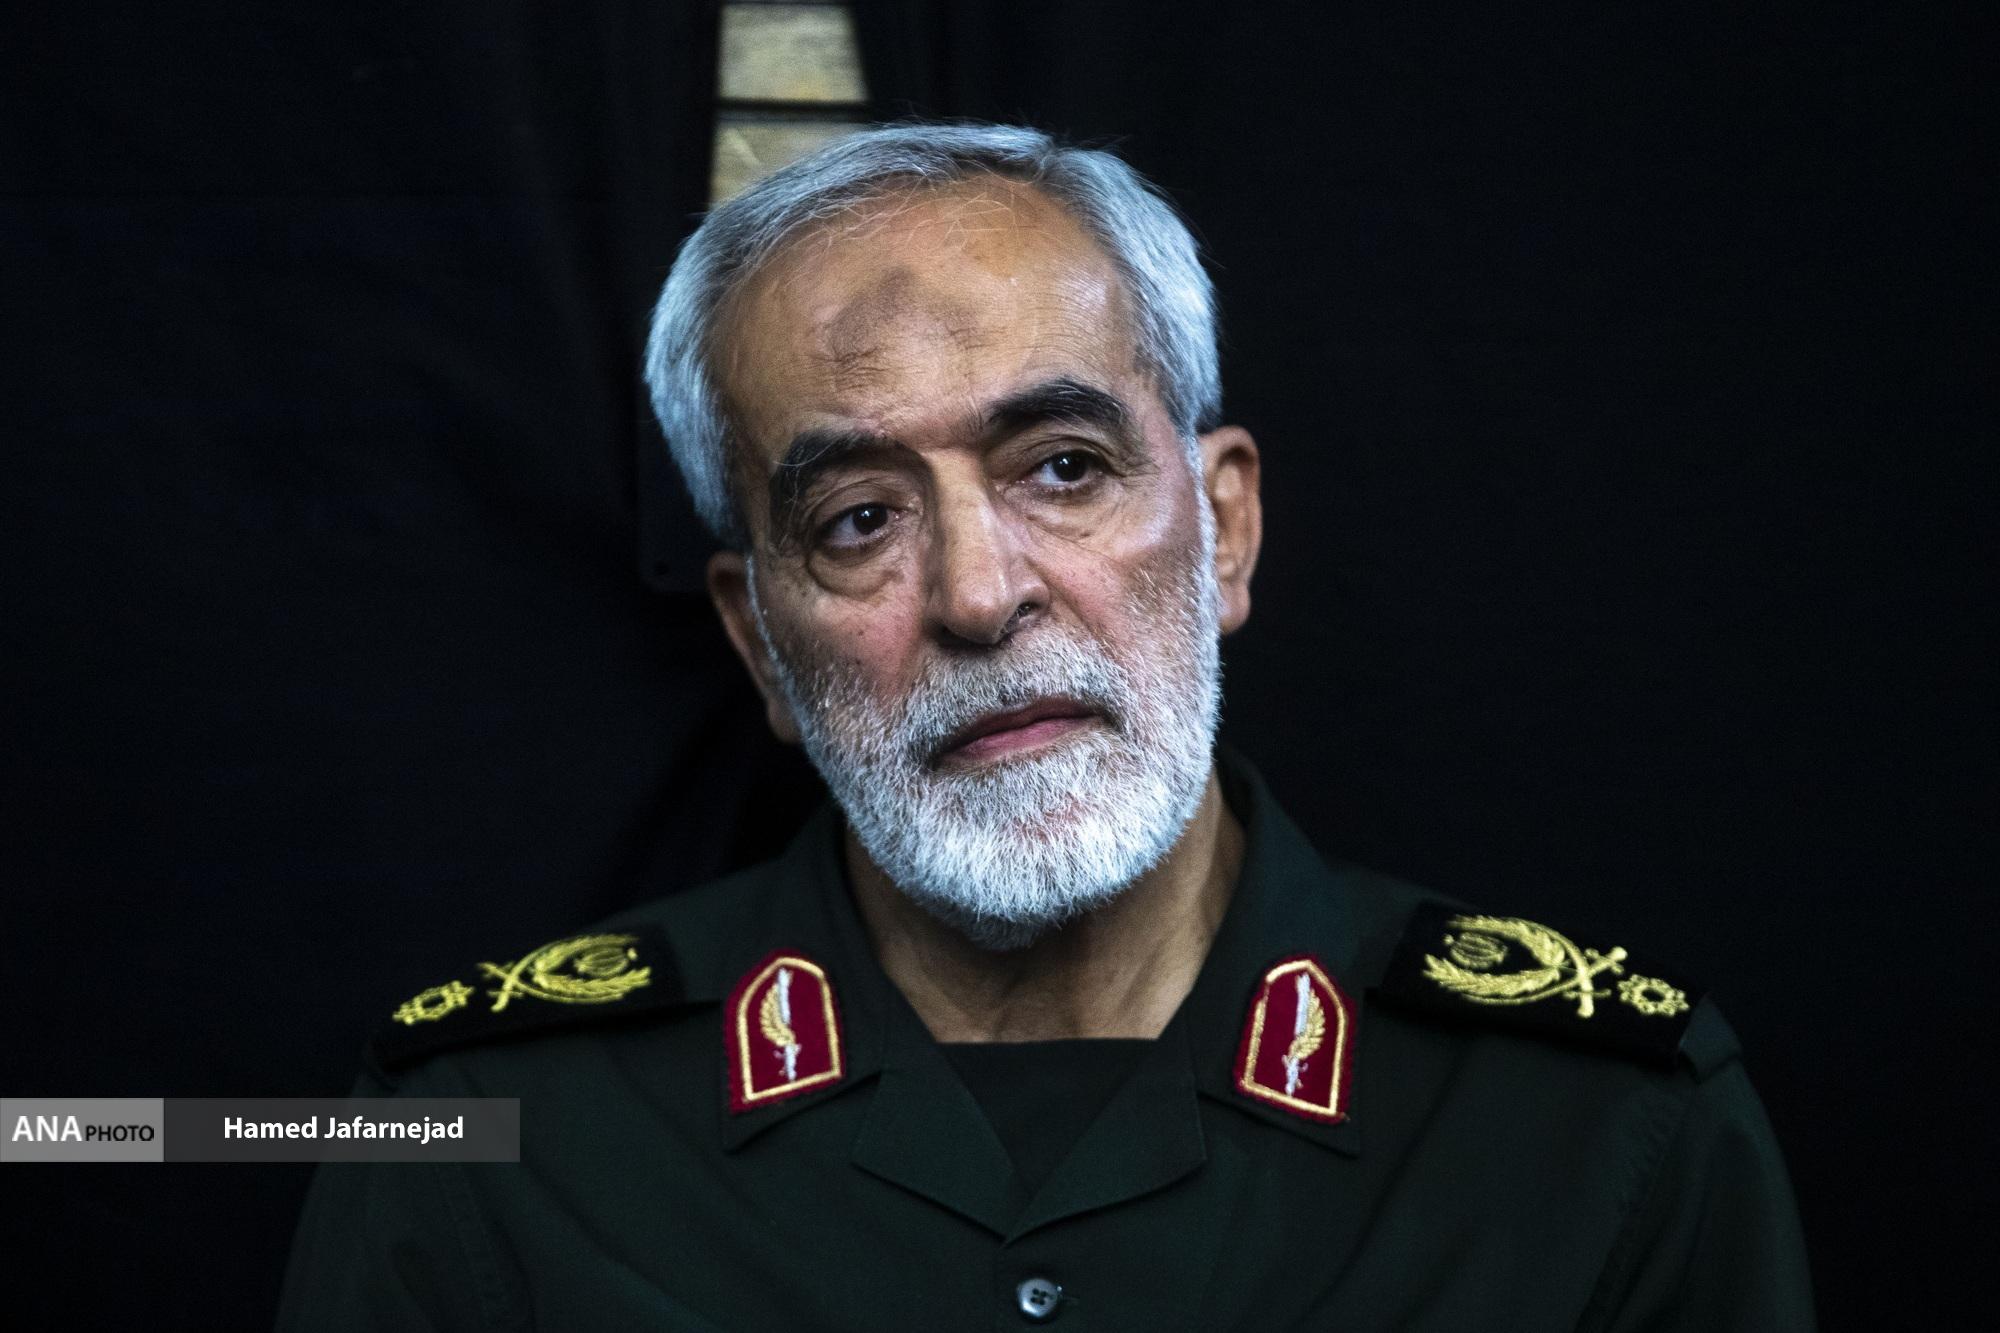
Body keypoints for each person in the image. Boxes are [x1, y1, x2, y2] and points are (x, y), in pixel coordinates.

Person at [279, 123, 1813, 1330]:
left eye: (1063, 467)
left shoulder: (1603, 1128)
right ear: (760, 642)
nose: (979, 593)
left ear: (1225, 528)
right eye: (860, 516)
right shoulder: (487, 1134)